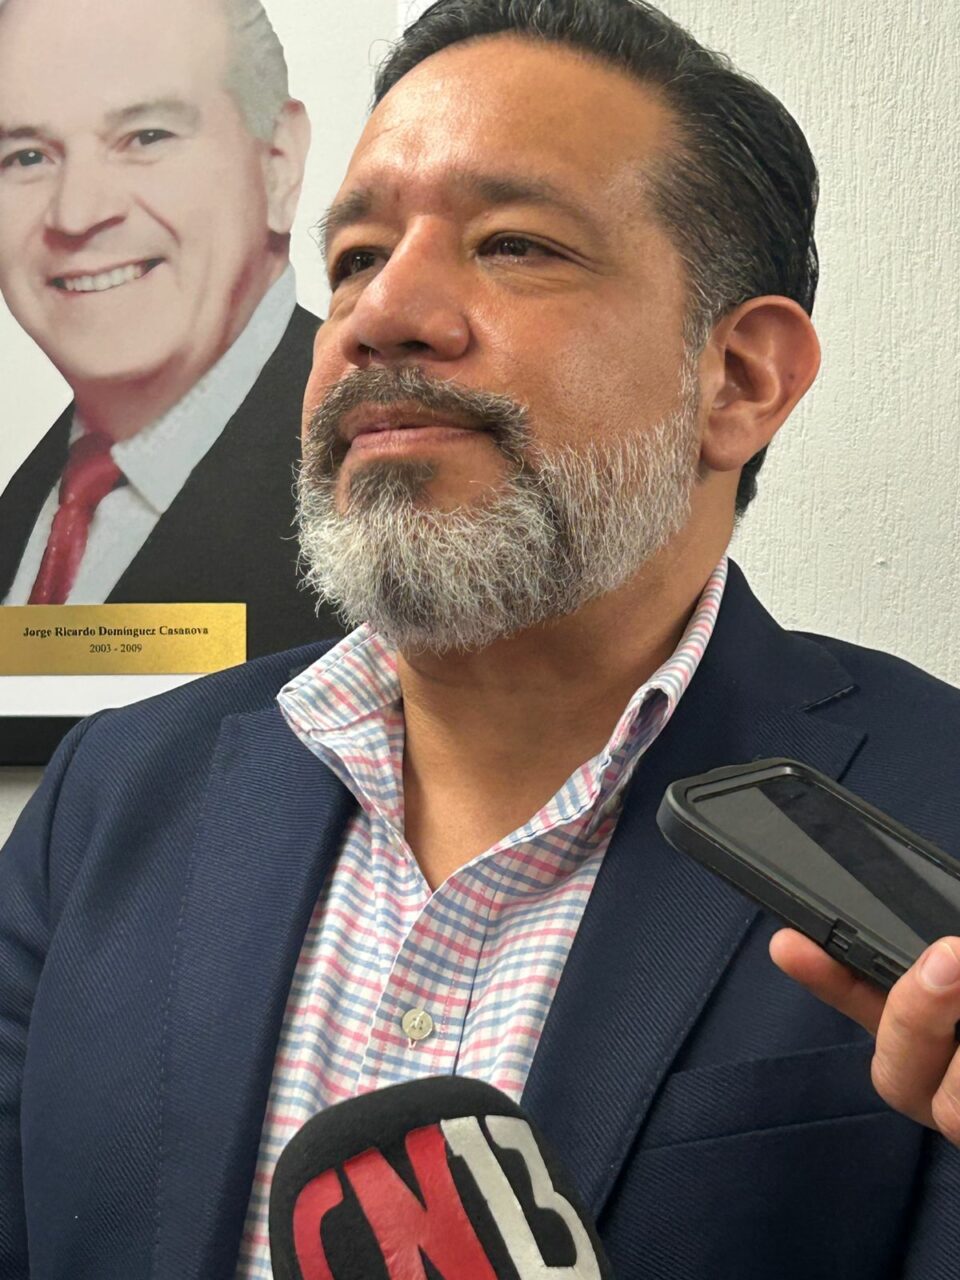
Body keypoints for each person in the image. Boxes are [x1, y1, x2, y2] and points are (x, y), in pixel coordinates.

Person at [2, 1, 960, 1276]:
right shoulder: (109, 795)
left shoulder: (934, 804)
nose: (379, 314)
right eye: (354, 257)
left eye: (514, 243)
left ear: (740, 378)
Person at [0, 0, 342, 657]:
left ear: (278, 162)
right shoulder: (32, 498)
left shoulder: (385, 479)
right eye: (28, 156)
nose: (77, 213)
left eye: (146, 137)